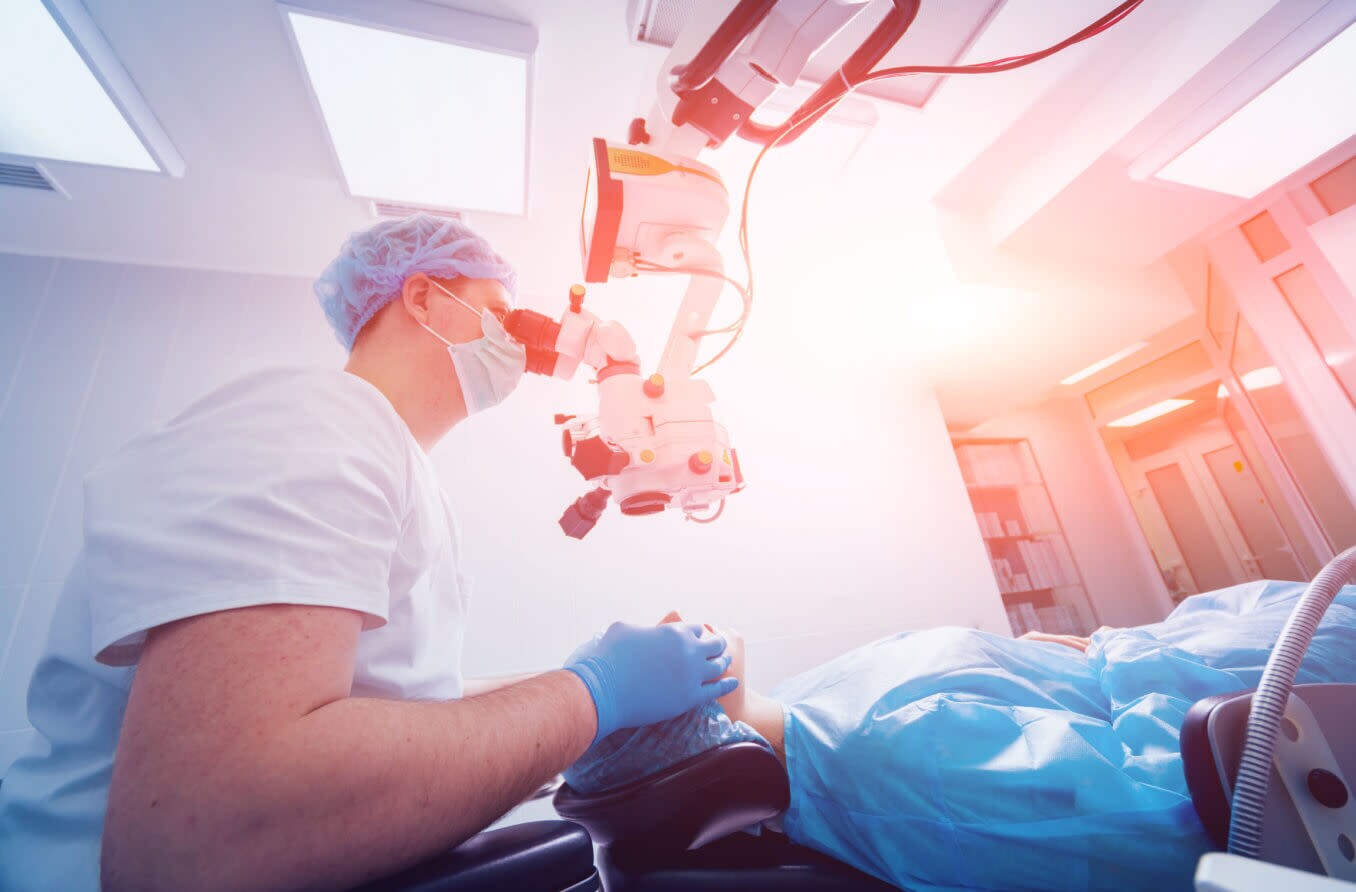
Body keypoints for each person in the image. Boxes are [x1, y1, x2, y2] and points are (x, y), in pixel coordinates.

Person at [0, 214, 735, 892]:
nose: (518, 343)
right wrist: (593, 693)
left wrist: (575, 689)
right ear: (423, 297)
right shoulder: (320, 420)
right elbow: (204, 836)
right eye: (501, 313)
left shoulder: (387, 462)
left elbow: (386, 715)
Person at [563, 581, 1356, 891]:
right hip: (1298, 692)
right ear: (688, 730)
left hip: (1263, 634)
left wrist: (1090, 650)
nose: (669, 616)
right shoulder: (887, 771)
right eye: (651, 660)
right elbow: (1169, 812)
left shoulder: (817, 705)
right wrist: (1125, 662)